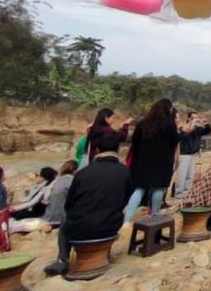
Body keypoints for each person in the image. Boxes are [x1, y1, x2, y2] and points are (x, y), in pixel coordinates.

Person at [43, 133, 131, 277]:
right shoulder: (125, 172)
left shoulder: (82, 173)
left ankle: (62, 259)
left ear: (96, 150)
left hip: (79, 229)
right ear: (118, 149)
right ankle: (101, 254)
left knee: (66, 220)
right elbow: (125, 199)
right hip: (110, 225)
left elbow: (69, 204)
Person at [124, 99, 179, 222]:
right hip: (162, 162)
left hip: (143, 162)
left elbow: (135, 141)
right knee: (158, 188)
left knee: (139, 189)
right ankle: (154, 215)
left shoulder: (143, 123)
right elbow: (174, 141)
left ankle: (127, 219)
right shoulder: (169, 124)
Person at [173, 109, 211, 199]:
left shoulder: (198, 129)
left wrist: (206, 123)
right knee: (182, 175)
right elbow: (183, 135)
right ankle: (178, 193)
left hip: (194, 154)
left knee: (190, 176)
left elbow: (208, 130)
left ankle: (187, 192)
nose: (195, 119)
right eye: (193, 118)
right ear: (189, 118)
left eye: (196, 117)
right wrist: (192, 125)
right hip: (184, 154)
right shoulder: (183, 127)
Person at [43, 160, 78, 226]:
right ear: (75, 171)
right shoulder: (72, 181)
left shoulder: (57, 180)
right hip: (61, 218)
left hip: (48, 216)